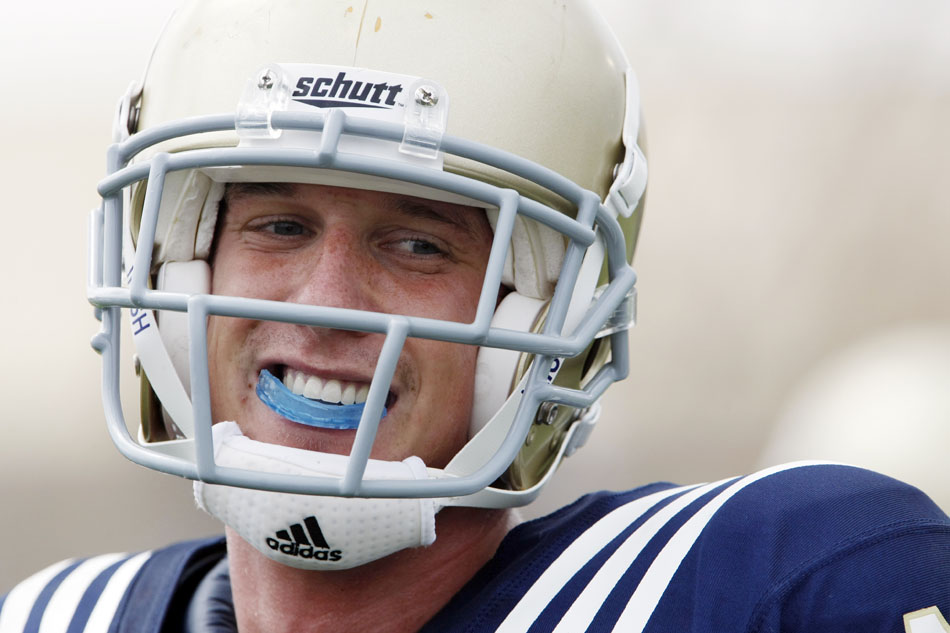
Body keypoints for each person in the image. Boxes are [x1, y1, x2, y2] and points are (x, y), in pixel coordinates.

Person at [2, 1, 949, 631]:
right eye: (279, 224)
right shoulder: (59, 616)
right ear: (171, 269)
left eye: (418, 243)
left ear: (557, 316)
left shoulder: (768, 586)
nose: (326, 301)